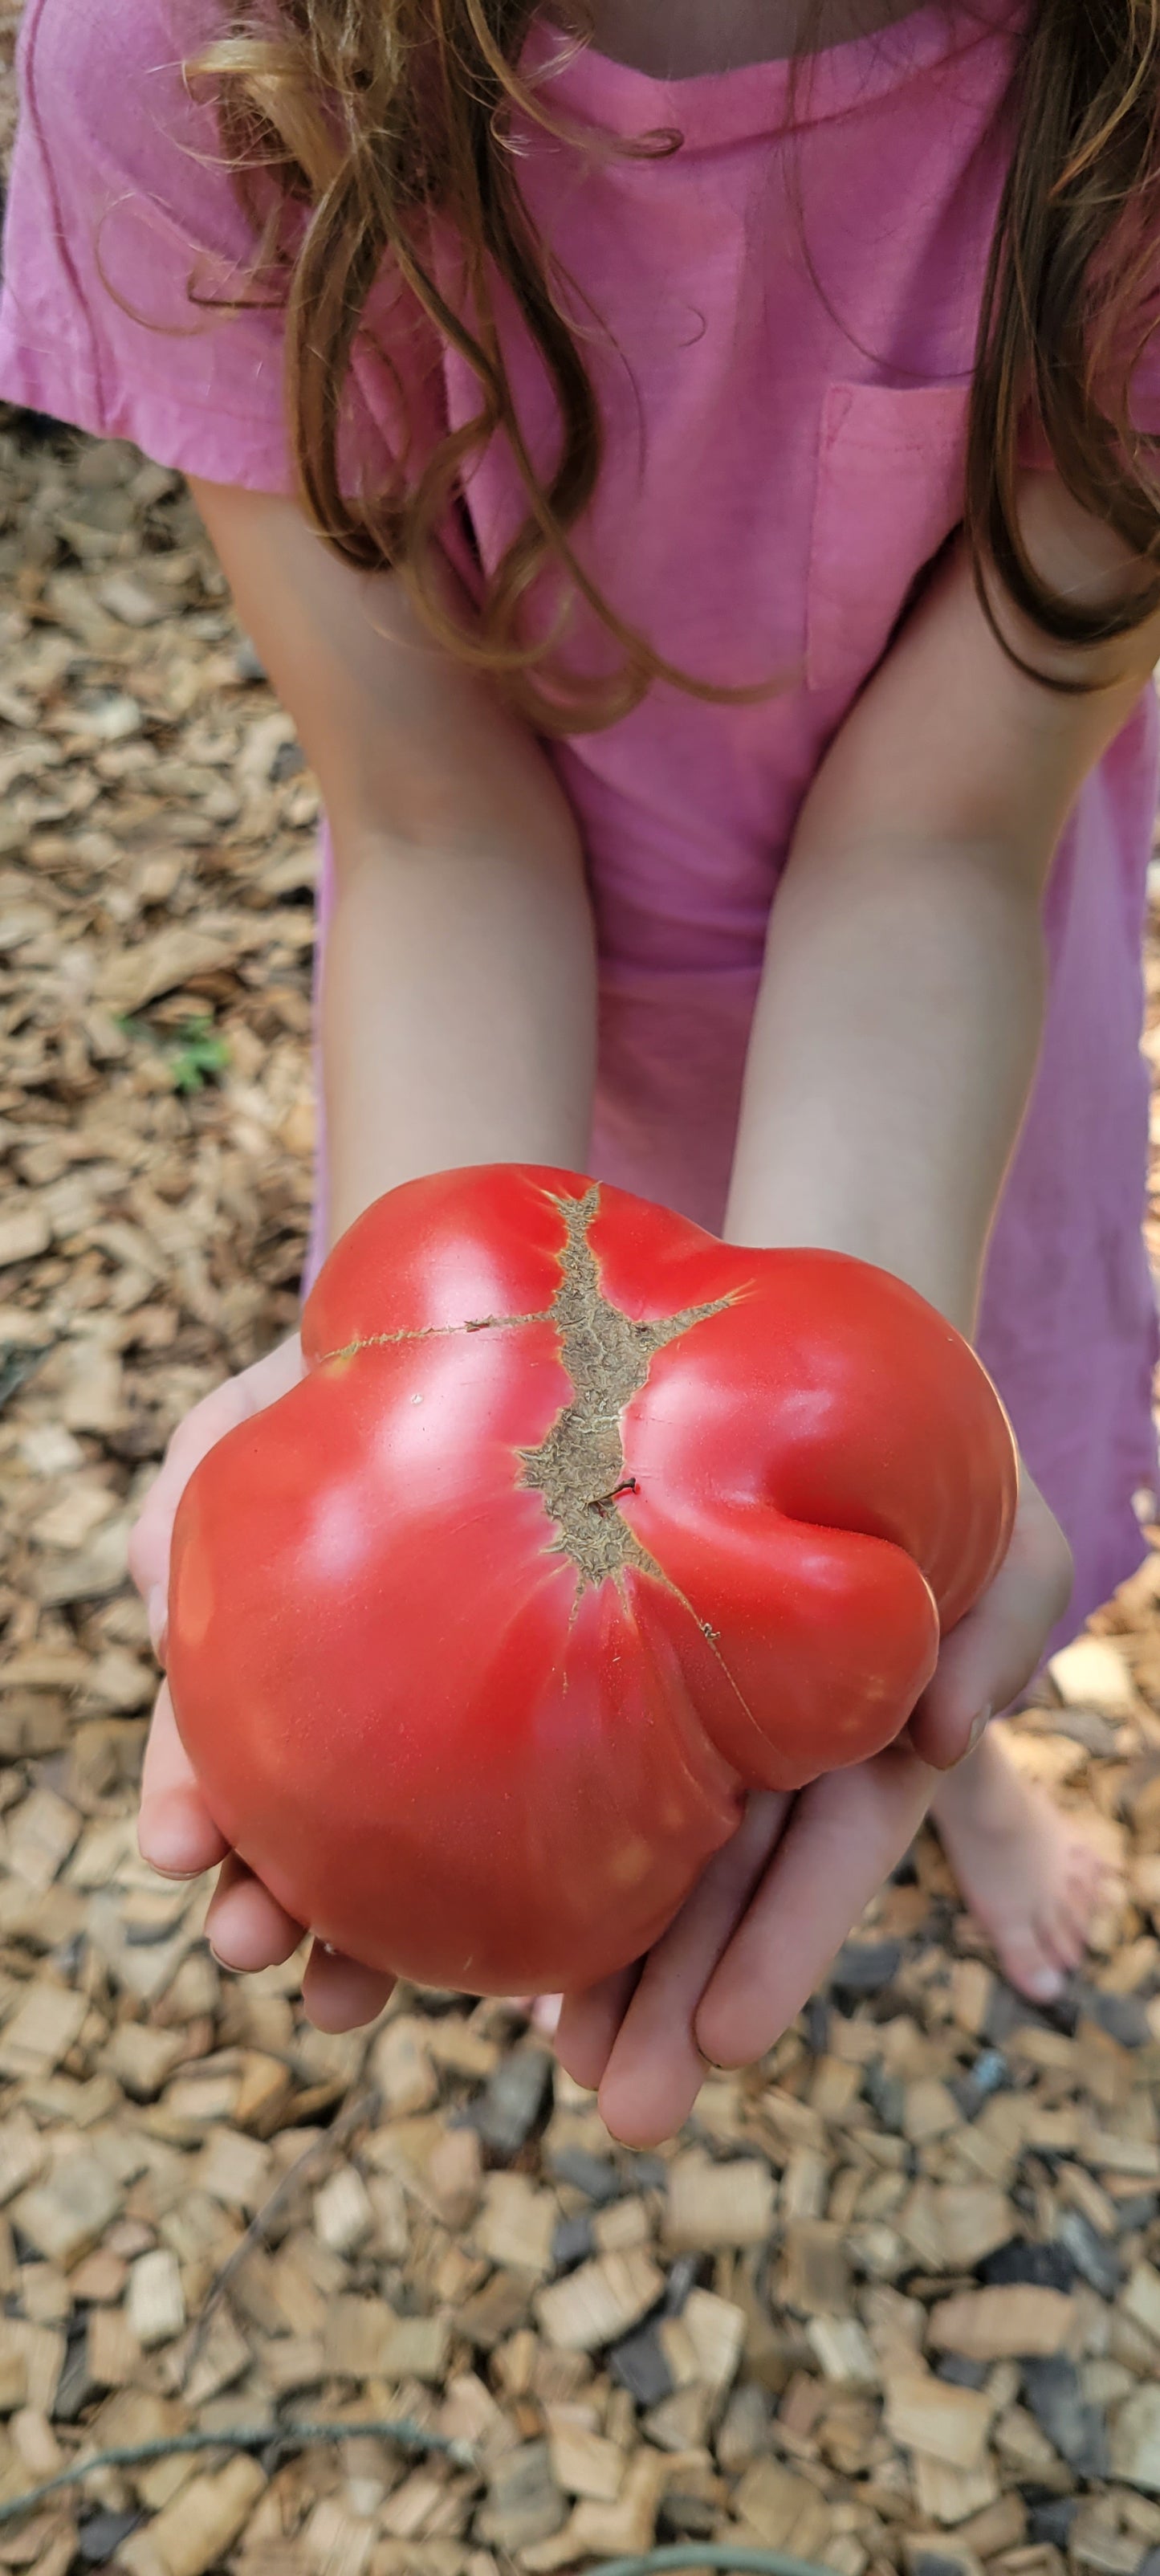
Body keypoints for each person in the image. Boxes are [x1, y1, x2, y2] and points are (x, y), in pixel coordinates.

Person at [3, 0, 1160, 2149]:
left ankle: (955, 1754)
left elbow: (935, 832)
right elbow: (438, 812)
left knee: (932, 1552)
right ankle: (909, 1717)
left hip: (943, 1010)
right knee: (849, 1591)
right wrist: (425, 1439)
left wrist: (847, 1428)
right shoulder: (179, 56)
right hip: (501, 1019)